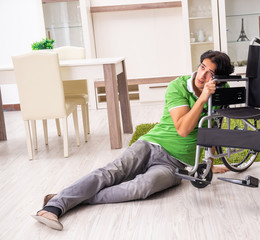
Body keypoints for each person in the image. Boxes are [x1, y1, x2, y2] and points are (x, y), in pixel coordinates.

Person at [32, 50, 234, 231]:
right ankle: (53, 207)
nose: (202, 75)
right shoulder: (179, 86)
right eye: (202, 67)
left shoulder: (221, 93)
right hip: (151, 145)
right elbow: (183, 129)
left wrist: (209, 163)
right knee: (112, 173)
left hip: (178, 164)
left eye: (210, 73)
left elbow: (213, 127)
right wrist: (203, 98)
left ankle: (71, 197)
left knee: (142, 187)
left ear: (220, 79)